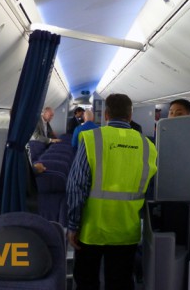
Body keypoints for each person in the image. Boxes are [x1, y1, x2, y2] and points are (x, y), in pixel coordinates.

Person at [66, 93, 158, 290]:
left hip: (92, 228)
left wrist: (73, 224)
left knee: (86, 280)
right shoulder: (148, 146)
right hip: (127, 228)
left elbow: (77, 185)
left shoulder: (91, 138)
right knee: (121, 281)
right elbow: (151, 189)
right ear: (130, 115)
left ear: (106, 115)